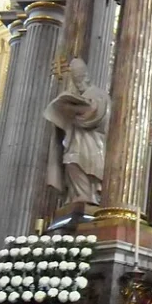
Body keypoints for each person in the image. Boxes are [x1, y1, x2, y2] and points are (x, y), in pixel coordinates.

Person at [45, 58, 110, 206]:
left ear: (86, 76)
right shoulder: (79, 94)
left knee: (76, 162)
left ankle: (88, 196)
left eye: (79, 77)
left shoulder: (98, 94)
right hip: (76, 139)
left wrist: (73, 110)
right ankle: (80, 195)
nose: (78, 81)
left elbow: (95, 114)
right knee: (70, 162)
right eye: (75, 78)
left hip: (92, 141)